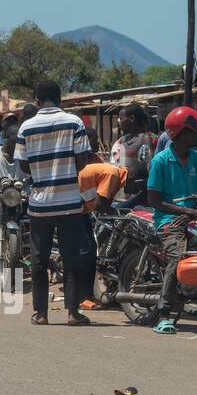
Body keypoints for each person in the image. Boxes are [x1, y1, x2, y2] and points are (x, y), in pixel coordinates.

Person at [15, 82, 92, 327]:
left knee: (38, 259)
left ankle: (41, 313)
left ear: (36, 100)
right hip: (69, 202)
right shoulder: (74, 122)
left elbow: (24, 165)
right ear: (60, 98)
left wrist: (42, 170)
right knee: (72, 258)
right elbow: (82, 161)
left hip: (39, 205)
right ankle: (72, 313)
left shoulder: (26, 127)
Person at [146, 106, 197, 335]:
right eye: (195, 132)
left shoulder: (196, 158)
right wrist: (188, 213)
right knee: (178, 257)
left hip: (193, 219)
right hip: (168, 220)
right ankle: (164, 314)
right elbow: (154, 200)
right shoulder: (161, 161)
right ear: (181, 134)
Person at [78, 128, 127, 310]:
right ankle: (84, 297)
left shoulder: (107, 168)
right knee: (88, 251)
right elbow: (100, 205)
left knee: (87, 249)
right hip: (76, 208)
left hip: (79, 205)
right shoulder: (113, 174)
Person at [110, 104, 155, 201]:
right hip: (118, 194)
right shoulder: (121, 141)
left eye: (121, 118)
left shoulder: (144, 139)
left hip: (136, 195)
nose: (119, 122)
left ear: (131, 118)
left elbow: (150, 166)